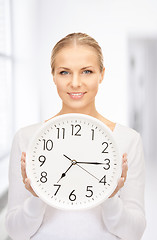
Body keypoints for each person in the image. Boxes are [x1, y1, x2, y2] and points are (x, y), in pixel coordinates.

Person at [5, 33, 146, 240]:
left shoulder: (128, 140)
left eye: (87, 71)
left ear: (101, 74)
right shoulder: (26, 138)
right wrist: (37, 197)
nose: (75, 83)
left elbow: (134, 233)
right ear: (53, 76)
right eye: (64, 72)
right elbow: (16, 232)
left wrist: (109, 197)